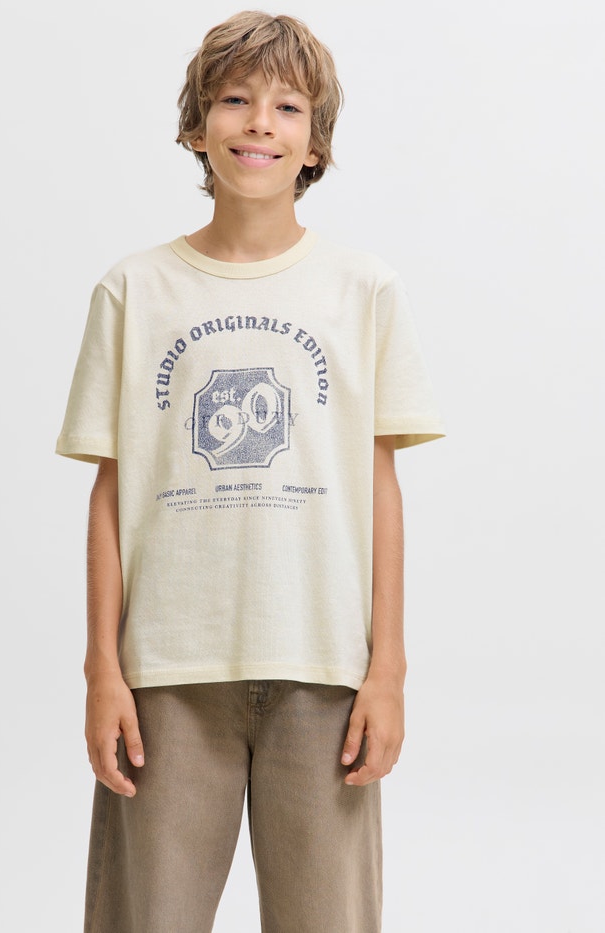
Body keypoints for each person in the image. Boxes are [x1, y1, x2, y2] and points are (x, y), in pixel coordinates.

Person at [56, 11, 444, 932]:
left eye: (288, 106)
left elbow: (381, 489)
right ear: (198, 127)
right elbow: (109, 494)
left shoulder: (364, 290)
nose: (260, 122)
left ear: (317, 142)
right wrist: (102, 669)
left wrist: (387, 669)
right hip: (167, 674)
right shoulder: (134, 290)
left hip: (324, 673)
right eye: (235, 100)